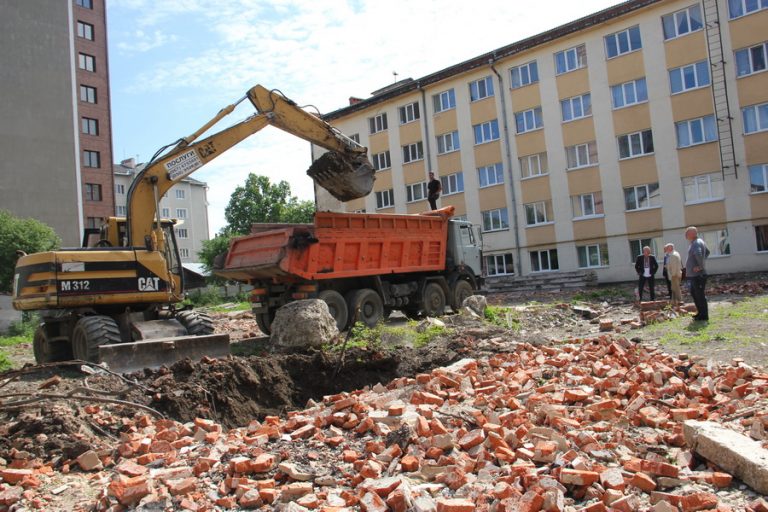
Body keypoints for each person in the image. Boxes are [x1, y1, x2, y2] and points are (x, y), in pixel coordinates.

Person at [685, 226, 710, 321]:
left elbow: (699, 254)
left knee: (700, 295)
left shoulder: (696, 243)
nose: (685, 235)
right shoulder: (698, 242)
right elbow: (707, 252)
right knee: (695, 293)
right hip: (694, 275)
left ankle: (703, 316)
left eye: (687, 233)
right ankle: (700, 313)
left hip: (698, 275)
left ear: (692, 234)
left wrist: (700, 266)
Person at [664, 243, 683, 308]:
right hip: (675, 274)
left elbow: (674, 266)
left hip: (674, 275)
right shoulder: (675, 253)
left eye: (666, 248)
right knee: (674, 288)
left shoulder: (673, 255)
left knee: (676, 288)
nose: (665, 249)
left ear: (670, 248)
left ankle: (679, 301)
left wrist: (673, 275)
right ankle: (674, 301)